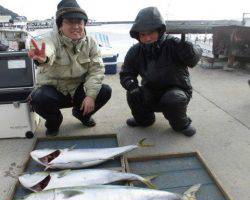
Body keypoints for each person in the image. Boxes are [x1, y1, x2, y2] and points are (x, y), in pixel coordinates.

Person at [28, 0, 112, 136]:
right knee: (38, 98)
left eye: (79, 22)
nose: (76, 26)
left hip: (79, 89)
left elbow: (96, 69)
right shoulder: (50, 39)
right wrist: (44, 58)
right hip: (55, 90)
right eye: (69, 22)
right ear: (60, 25)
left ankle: (82, 115)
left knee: (104, 91)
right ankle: (54, 121)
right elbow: (47, 47)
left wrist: (90, 96)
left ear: (84, 24)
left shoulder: (91, 42)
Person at [120, 7, 202, 136]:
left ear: (159, 30)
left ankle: (182, 124)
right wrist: (131, 85)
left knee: (173, 99)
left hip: (176, 90)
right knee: (133, 94)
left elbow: (193, 59)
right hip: (150, 91)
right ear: (138, 35)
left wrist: (189, 50)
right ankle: (144, 120)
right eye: (142, 34)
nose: (147, 38)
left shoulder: (174, 43)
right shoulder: (135, 51)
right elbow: (126, 73)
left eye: (150, 33)